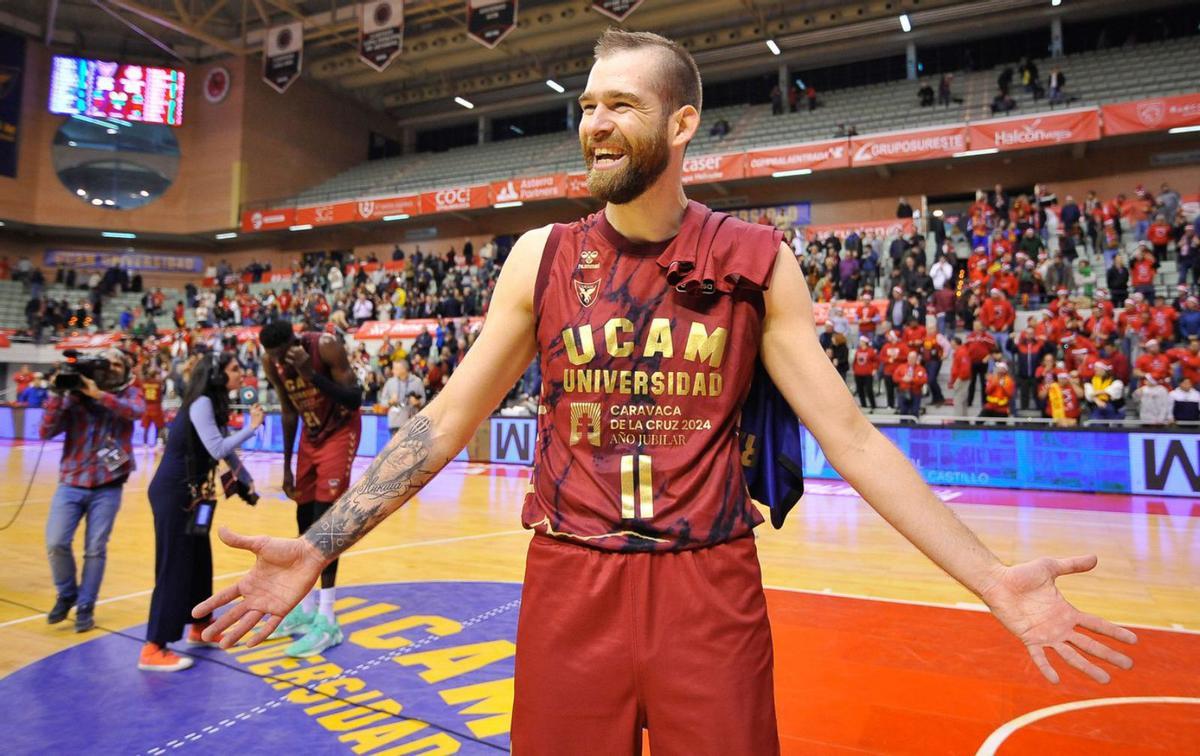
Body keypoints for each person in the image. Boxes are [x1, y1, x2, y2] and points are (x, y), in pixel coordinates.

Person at [196, 30, 1137, 754]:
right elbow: (443, 423)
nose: (594, 124)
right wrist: (316, 547)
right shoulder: (544, 257)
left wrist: (991, 581)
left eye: (619, 105)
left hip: (709, 586)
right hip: (571, 580)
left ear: (681, 124)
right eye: (588, 105)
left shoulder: (759, 262)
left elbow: (850, 437)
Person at [140, 353, 265, 672]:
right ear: (216, 375)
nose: (241, 373)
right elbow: (218, 448)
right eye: (235, 368)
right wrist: (252, 427)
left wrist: (247, 484)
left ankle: (200, 627)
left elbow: (225, 453)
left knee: (198, 563)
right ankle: (154, 647)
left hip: (192, 497)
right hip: (174, 494)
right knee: (173, 567)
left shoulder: (214, 404)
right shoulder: (201, 403)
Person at [259, 320, 363, 657]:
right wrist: (287, 465)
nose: (280, 362)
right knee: (304, 525)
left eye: (283, 355)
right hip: (310, 436)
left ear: (294, 343)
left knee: (326, 528)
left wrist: (311, 374)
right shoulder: (270, 363)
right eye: (274, 357)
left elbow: (355, 398)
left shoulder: (325, 347)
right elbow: (289, 411)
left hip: (339, 432)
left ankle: (328, 619)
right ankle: (304, 609)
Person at [41, 349, 144, 632]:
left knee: (95, 549)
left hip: (108, 485)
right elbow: (45, 432)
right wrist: (57, 394)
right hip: (71, 480)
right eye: (105, 363)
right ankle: (66, 593)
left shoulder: (131, 392)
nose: (110, 368)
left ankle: (86, 605)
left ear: (125, 368)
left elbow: (136, 412)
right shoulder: (74, 393)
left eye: (116, 364)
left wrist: (99, 395)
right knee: (55, 542)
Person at [380, 359, 425, 434]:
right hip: (394, 422)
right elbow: (382, 401)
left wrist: (418, 402)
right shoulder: (390, 382)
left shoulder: (417, 382)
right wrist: (389, 402)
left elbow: (424, 400)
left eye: (395, 369)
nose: (393, 371)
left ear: (403, 369)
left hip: (412, 422)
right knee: (395, 445)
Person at [137, 362, 167, 446]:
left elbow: (139, 377)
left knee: (146, 428)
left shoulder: (144, 382)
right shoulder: (158, 383)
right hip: (156, 406)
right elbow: (165, 376)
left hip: (147, 407)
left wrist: (140, 368)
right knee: (160, 427)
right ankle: (162, 442)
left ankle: (145, 444)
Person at [894, 351, 927, 419]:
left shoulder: (921, 369)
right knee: (903, 412)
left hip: (916, 393)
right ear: (907, 358)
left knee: (914, 412)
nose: (911, 359)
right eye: (910, 357)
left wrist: (912, 380)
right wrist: (902, 379)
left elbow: (924, 380)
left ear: (916, 359)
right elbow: (895, 377)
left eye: (913, 358)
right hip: (903, 392)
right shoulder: (901, 367)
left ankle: (914, 428)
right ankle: (903, 428)